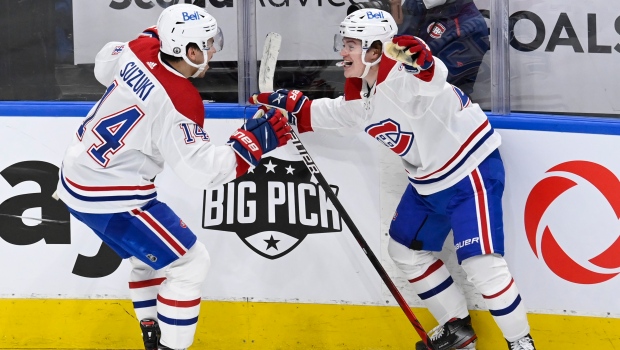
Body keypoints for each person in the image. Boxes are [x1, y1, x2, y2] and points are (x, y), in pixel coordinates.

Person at [249, 8, 535, 350]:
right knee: (405, 251)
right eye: (344, 42)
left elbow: (431, 75)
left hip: (469, 173)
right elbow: (341, 115)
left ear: (374, 50)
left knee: (482, 265)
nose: (342, 51)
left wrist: (416, 55)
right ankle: (457, 330)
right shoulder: (363, 90)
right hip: (428, 183)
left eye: (351, 44)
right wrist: (292, 108)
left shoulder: (404, 76)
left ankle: (521, 344)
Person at [54, 4, 291, 350]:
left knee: (146, 259)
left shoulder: (141, 47)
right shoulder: (180, 100)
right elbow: (202, 170)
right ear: (189, 51)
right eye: (208, 45)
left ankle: (153, 336)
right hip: (113, 195)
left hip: (77, 178)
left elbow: (106, 64)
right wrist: (255, 142)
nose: (212, 51)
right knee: (192, 265)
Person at [389, 0, 490, 95]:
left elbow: (437, 83)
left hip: (441, 105)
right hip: (398, 94)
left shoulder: (470, 27)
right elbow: (398, 42)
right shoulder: (416, 4)